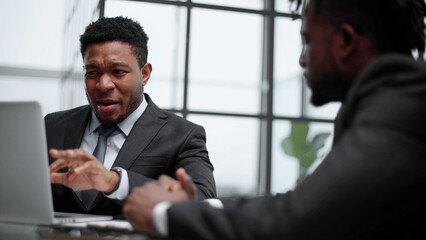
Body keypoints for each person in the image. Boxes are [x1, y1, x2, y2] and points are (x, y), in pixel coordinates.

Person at [122, 0, 426, 238]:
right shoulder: (388, 104)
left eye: (307, 41)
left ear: (346, 41)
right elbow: (307, 201)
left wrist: (164, 213)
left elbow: (297, 222)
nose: (302, 59)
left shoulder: (401, 111)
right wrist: (200, 206)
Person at [45, 16, 216, 217]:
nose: (103, 84)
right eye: (92, 72)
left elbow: (203, 202)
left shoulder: (183, 136)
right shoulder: (52, 126)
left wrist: (114, 182)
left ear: (144, 74)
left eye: (117, 71)